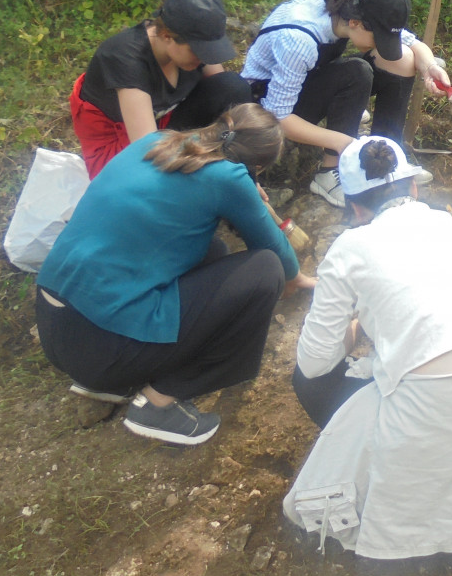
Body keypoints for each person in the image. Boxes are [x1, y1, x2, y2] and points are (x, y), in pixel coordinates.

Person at [283, 136, 452, 560]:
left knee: (306, 381)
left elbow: (313, 363)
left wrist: (359, 322)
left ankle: (394, 470)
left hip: (424, 409)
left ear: (356, 207)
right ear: (414, 187)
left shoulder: (349, 249)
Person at [35, 104, 302, 446]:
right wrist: (297, 278)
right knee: (264, 270)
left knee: (212, 252)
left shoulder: (158, 141)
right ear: (258, 166)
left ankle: (114, 381)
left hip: (56, 323)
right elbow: (278, 256)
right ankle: (160, 402)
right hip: (100, 348)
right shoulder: (228, 177)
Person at [240, 0, 447, 207]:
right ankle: (330, 171)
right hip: (263, 106)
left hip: (308, 77)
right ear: (355, 24)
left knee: (404, 58)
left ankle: (388, 156)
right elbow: (277, 116)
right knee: (357, 72)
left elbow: (411, 43)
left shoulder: (354, 2)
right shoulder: (298, 40)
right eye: (378, 38)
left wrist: (430, 68)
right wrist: (345, 143)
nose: (380, 44)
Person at [69, 0, 251, 178]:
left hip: (164, 127)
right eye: (198, 51)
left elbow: (226, 93)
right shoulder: (125, 59)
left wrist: (244, 169)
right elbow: (148, 149)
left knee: (233, 86)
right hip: (123, 148)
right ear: (166, 36)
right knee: (171, 178)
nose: (204, 58)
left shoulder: (187, 47)